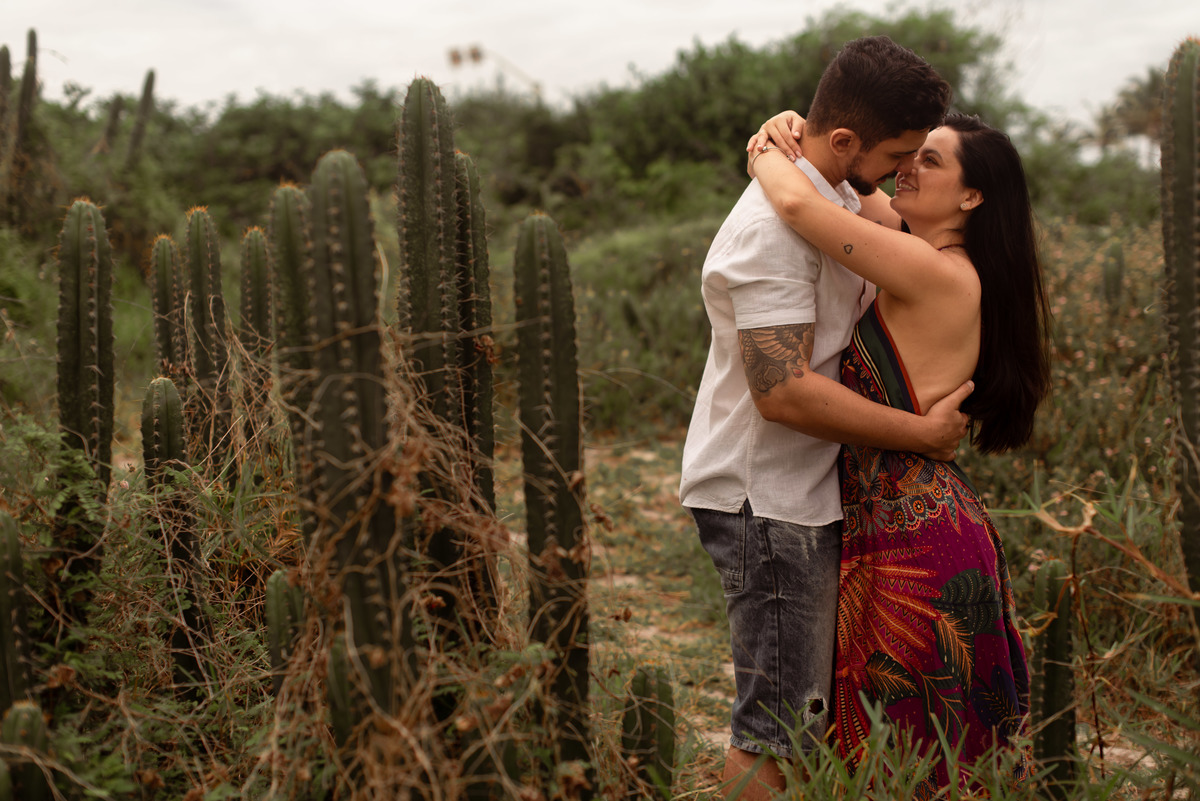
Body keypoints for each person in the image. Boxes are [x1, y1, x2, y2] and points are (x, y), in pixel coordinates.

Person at [679, 36, 971, 800]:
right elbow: (784, 391)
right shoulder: (772, 233)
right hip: (763, 499)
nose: (902, 171)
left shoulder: (831, 195)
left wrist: (778, 140)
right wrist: (922, 434)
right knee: (774, 727)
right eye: (896, 154)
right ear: (845, 141)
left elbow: (854, 197)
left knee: (797, 719)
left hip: (798, 493)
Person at [746, 108, 1049, 796]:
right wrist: (795, 126)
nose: (909, 166)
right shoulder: (925, 253)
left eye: (932, 161)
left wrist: (761, 148)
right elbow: (854, 180)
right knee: (907, 747)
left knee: (914, 750)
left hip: (918, 545)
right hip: (905, 528)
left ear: (971, 198)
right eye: (910, 154)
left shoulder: (933, 269)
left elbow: (797, 200)